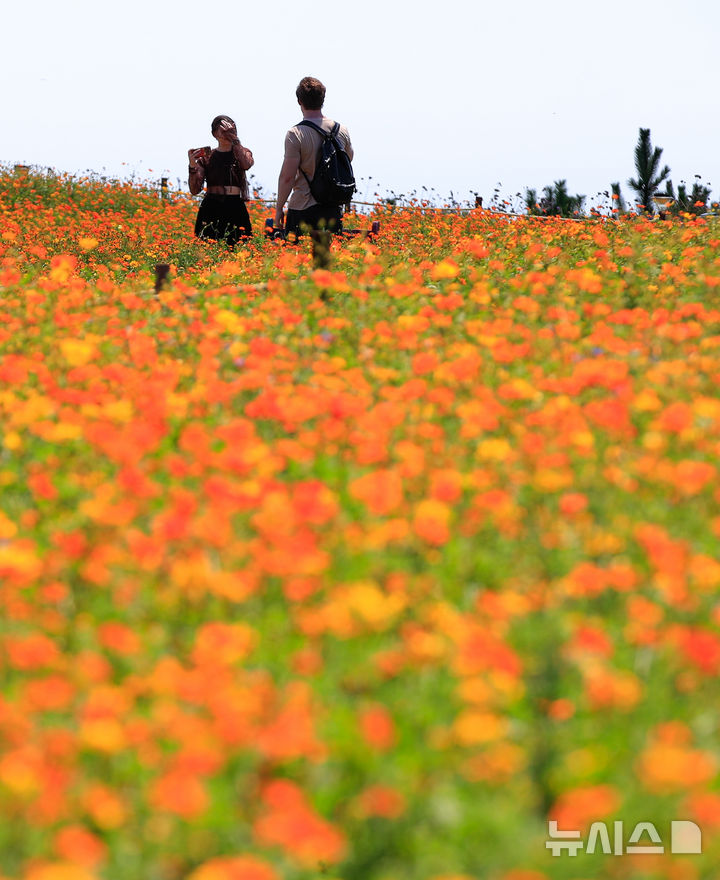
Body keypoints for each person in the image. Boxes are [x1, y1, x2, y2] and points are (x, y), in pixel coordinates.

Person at [274, 77, 354, 237]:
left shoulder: (295, 134)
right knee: (326, 259)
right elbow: (349, 158)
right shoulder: (341, 130)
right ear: (323, 99)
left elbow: (287, 177)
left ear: (299, 101)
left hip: (303, 206)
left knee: (297, 258)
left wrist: (279, 209)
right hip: (332, 206)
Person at [188, 116, 254, 246]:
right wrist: (192, 166)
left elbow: (246, 164)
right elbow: (195, 189)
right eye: (223, 131)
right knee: (208, 247)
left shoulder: (243, 152)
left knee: (240, 247)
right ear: (215, 134)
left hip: (235, 206)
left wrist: (235, 140)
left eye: (231, 131)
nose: (227, 134)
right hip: (212, 206)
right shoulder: (206, 158)